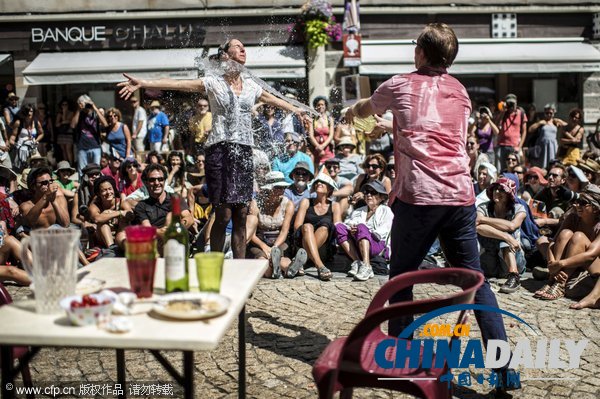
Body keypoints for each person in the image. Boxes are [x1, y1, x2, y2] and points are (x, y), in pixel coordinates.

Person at [345, 23, 512, 383]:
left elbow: (367, 108)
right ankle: (503, 367)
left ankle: (401, 356)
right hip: (459, 196)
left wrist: (353, 114)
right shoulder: (460, 91)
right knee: (478, 281)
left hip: (420, 196)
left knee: (402, 278)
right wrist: (390, 128)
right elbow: (434, 132)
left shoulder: (399, 83)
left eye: (416, 45)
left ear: (421, 51)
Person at [118, 38, 310, 260]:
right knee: (224, 214)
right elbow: (177, 83)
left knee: (241, 214)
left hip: (244, 152)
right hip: (219, 151)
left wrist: (297, 111)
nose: (243, 49)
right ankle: (217, 266)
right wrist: (143, 83)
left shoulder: (251, 86)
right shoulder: (213, 82)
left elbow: (274, 99)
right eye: (237, 46)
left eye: (243, 46)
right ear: (225, 55)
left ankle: (238, 270)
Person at [534, 185, 600, 305]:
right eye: (577, 201)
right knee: (565, 233)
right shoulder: (573, 218)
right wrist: (553, 263)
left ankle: (560, 283)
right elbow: (553, 242)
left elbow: (591, 254)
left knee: (578, 236)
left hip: (592, 266)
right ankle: (553, 279)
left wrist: (561, 264)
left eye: (583, 203)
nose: (577, 205)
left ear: (595, 208)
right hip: (570, 262)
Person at [247, 171, 307, 279]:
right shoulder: (256, 203)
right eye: (278, 187)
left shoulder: (288, 204)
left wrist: (274, 248)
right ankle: (280, 270)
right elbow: (251, 233)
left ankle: (289, 268)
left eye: (283, 187)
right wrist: (264, 247)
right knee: (263, 262)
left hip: (279, 241)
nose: (282, 191)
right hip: (259, 242)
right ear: (268, 189)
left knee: (282, 259)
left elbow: (284, 231)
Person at [335, 180, 393, 281]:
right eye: (366, 192)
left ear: (382, 197)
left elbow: (382, 232)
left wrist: (361, 230)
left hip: (378, 245)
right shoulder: (358, 210)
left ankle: (367, 266)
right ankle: (357, 262)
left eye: (373, 192)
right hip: (359, 243)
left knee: (361, 227)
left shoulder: (386, 210)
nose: (369, 195)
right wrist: (352, 230)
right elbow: (348, 224)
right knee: (339, 226)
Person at [476, 177, 527, 292]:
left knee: (508, 234)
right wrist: (506, 237)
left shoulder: (519, 209)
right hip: (489, 261)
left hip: (513, 259)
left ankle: (514, 276)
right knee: (505, 236)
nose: (497, 192)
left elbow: (512, 226)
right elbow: (477, 226)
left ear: (509, 194)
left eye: (501, 190)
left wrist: (483, 220)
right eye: (495, 189)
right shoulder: (483, 207)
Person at [294, 173, 340, 281]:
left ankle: (301, 260)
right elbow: (297, 226)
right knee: (307, 226)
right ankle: (320, 266)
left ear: (329, 188)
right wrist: (308, 234)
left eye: (323, 182)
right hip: (303, 240)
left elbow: (338, 229)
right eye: (317, 182)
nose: (319, 183)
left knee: (325, 228)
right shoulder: (306, 202)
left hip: (324, 247)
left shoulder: (335, 206)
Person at [133, 164, 194, 246]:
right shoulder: (141, 206)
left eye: (160, 179)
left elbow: (189, 218)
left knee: (170, 216)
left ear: (165, 181)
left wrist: (173, 231)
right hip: (156, 242)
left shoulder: (175, 198)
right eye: (152, 180)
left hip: (177, 239)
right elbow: (147, 228)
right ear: (145, 182)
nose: (157, 183)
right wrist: (161, 232)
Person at [89, 175, 130, 250]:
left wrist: (114, 213)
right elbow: (97, 219)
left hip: (120, 236)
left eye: (110, 189)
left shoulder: (121, 202)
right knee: (103, 224)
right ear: (98, 193)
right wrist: (118, 213)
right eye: (104, 190)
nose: (108, 192)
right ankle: (112, 249)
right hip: (102, 239)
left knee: (124, 221)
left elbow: (130, 214)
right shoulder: (95, 206)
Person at [71, 95, 107, 173]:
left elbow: (105, 124)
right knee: (82, 171)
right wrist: (78, 109)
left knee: (96, 170)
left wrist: (94, 106)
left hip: (95, 145)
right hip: (82, 147)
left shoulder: (95, 113)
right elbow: (73, 125)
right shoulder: (79, 114)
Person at [496, 93, 527, 172]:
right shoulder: (504, 113)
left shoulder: (521, 113)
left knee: (516, 169)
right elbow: (496, 124)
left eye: (512, 104)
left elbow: (524, 131)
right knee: (503, 169)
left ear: (516, 103)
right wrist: (503, 111)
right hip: (503, 145)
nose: (511, 106)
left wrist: (520, 146)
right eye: (509, 103)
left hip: (515, 146)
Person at [527, 103, 565, 169]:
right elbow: (530, 130)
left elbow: (566, 126)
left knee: (553, 164)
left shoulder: (555, 122)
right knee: (542, 165)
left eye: (551, 113)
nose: (549, 115)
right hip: (542, 146)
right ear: (544, 113)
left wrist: (559, 120)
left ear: (554, 113)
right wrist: (539, 123)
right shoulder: (542, 122)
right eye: (547, 113)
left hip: (553, 146)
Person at [10, 104, 44, 172]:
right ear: (24, 112)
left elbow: (41, 133)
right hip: (22, 150)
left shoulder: (36, 122)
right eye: (27, 111)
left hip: (33, 148)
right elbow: (12, 138)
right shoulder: (18, 122)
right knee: (23, 169)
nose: (29, 113)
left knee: (37, 166)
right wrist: (17, 145)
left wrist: (35, 141)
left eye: (31, 111)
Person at [309, 96, 335, 166]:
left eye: (322, 104)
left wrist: (322, 146)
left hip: (328, 149)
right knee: (316, 171)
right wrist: (319, 147)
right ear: (315, 107)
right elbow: (311, 136)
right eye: (318, 105)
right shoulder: (312, 119)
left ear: (325, 106)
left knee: (328, 169)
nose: (320, 106)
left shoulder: (330, 119)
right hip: (316, 150)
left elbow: (331, 135)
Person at [55, 98, 75, 164]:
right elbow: (57, 124)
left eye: (66, 104)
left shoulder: (71, 112)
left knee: (68, 149)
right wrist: (63, 121)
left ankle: (71, 163)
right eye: (63, 105)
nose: (64, 106)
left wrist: (64, 113)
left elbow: (67, 121)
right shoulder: (59, 114)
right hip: (61, 133)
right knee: (63, 150)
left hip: (69, 133)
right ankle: (66, 164)